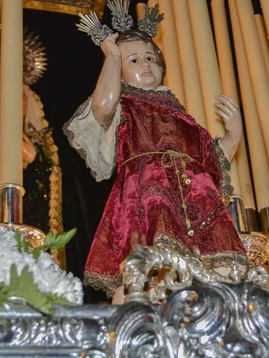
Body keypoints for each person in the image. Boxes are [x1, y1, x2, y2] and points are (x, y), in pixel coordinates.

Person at [64, 28, 248, 303]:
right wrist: (112, 57)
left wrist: (233, 136)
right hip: (148, 200)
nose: (145, 65)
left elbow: (211, 162)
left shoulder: (184, 117)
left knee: (218, 274)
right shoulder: (124, 106)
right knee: (147, 272)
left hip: (198, 205)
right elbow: (102, 107)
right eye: (134, 60)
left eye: (150, 58)